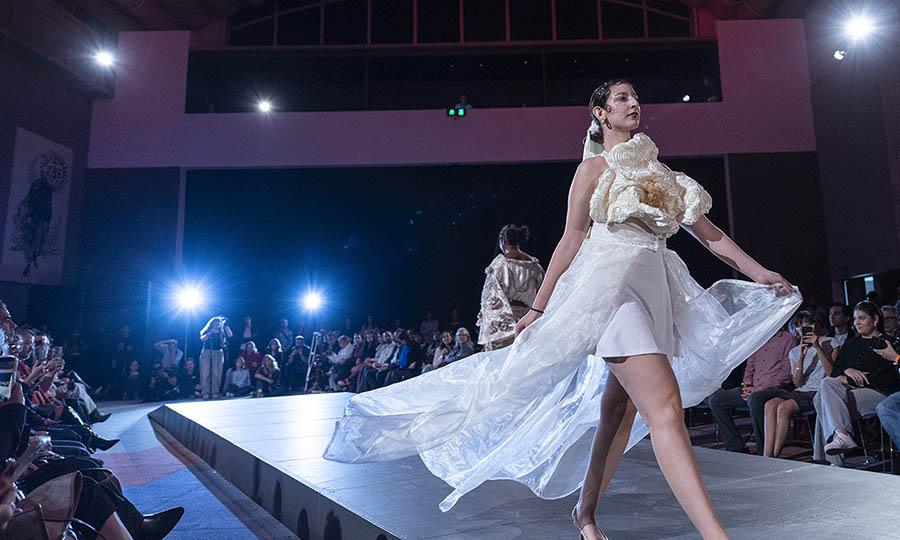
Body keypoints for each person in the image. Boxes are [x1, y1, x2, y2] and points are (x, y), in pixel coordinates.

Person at [324, 79, 800, 540]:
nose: (633, 102)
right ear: (601, 113)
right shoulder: (592, 170)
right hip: (612, 290)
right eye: (621, 98)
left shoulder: (662, 173)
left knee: (619, 412)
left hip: (657, 287)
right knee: (665, 410)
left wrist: (759, 272)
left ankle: (584, 514)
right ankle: (715, 535)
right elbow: (571, 239)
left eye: (635, 96)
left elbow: (708, 233)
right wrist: (539, 307)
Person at [813, 301, 900, 466]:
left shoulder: (888, 343)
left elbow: (887, 379)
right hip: (850, 391)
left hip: (879, 393)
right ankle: (841, 435)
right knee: (826, 385)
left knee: (822, 401)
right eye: (855, 319)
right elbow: (835, 372)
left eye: (862, 318)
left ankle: (829, 461)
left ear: (875, 319)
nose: (857, 322)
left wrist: (849, 380)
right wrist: (847, 370)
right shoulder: (850, 344)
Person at [707, 328, 797, 454]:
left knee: (755, 399)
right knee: (716, 399)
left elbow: (786, 374)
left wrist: (759, 388)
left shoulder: (788, 339)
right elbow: (750, 365)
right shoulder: (760, 336)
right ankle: (736, 447)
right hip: (753, 388)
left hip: (775, 389)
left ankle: (763, 450)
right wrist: (747, 386)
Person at [761, 311, 834, 457]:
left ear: (814, 326)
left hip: (820, 390)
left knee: (783, 408)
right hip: (801, 391)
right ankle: (766, 454)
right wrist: (801, 358)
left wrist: (817, 347)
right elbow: (797, 382)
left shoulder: (829, 342)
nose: (804, 331)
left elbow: (831, 372)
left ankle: (774, 456)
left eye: (808, 326)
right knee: (770, 405)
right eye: (800, 328)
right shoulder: (794, 351)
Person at [477, 224, 545, 350]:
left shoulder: (500, 264)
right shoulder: (536, 267)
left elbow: (491, 297)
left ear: (502, 240)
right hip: (530, 320)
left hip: (507, 321)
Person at [198, 316, 232, 400]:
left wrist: (225, 325)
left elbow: (230, 335)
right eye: (215, 324)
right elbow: (202, 339)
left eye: (218, 324)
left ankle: (215, 392)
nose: (217, 325)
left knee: (217, 373)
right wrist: (210, 333)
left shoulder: (222, 332)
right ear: (212, 324)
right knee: (205, 372)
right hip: (207, 351)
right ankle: (205, 392)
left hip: (218, 352)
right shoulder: (207, 330)